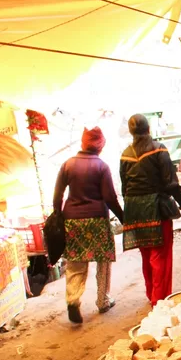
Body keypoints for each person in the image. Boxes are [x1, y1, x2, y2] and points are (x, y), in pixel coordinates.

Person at [120, 114, 181, 306]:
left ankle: (151, 294)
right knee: (159, 255)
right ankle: (159, 300)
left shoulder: (125, 154)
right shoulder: (158, 149)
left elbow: (124, 187)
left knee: (146, 253)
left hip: (134, 208)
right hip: (155, 207)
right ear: (148, 129)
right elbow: (171, 184)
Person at [53, 127, 123, 324]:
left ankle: (73, 301)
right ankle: (103, 300)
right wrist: (123, 217)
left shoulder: (68, 164)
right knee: (103, 262)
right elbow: (110, 197)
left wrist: (58, 215)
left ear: (83, 143)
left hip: (72, 220)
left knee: (75, 262)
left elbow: (57, 194)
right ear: (100, 145)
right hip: (97, 220)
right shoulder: (101, 166)